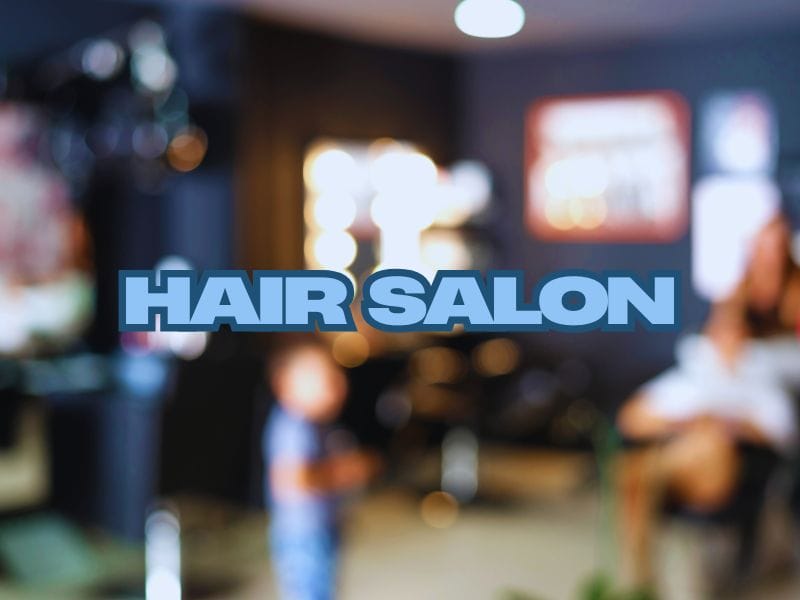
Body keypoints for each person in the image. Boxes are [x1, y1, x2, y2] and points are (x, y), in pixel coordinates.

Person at [616, 216, 800, 588]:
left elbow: (778, 425)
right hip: (694, 436)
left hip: (735, 448)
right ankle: (642, 578)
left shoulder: (770, 366)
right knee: (648, 464)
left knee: (695, 451)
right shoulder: (726, 314)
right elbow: (633, 418)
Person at [264, 336, 379, 600]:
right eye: (324, 378)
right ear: (285, 384)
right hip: (303, 534)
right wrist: (345, 472)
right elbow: (291, 478)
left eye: (337, 375)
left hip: (323, 528)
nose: (337, 385)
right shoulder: (294, 427)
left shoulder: (318, 425)